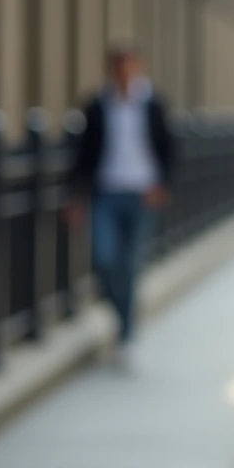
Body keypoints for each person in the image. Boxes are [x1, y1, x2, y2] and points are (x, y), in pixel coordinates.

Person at [67, 46, 173, 366]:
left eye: (130, 67)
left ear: (138, 68)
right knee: (104, 258)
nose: (125, 73)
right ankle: (121, 316)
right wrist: (76, 196)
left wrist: (162, 184)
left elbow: (168, 147)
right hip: (106, 192)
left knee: (130, 264)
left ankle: (125, 333)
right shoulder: (98, 105)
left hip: (141, 194)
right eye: (120, 68)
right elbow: (84, 154)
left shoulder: (153, 104)